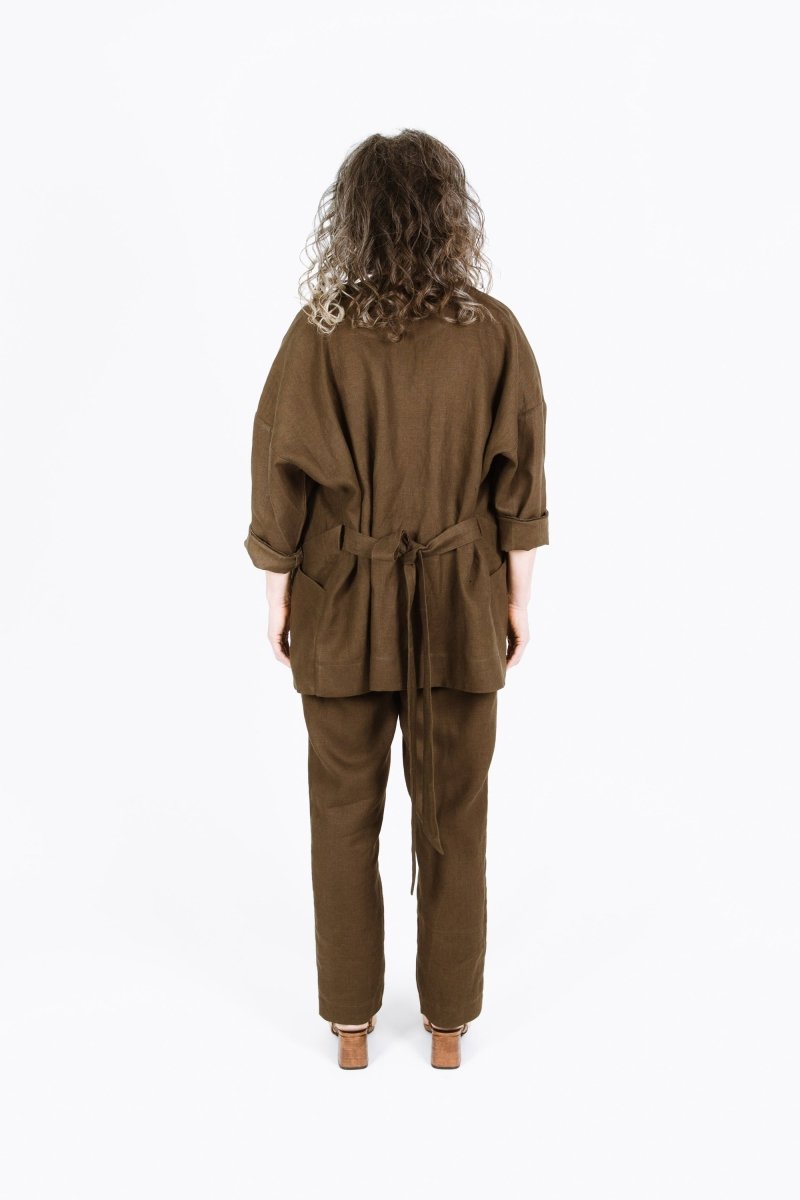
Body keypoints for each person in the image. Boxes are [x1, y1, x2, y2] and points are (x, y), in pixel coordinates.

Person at [244, 129, 549, 1070]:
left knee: (341, 816)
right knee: (456, 814)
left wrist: (277, 596)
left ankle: (350, 1026)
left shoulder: (318, 331)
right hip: (460, 602)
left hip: (339, 600)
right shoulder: (493, 332)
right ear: (449, 216)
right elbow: (521, 484)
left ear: (354, 220)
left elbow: (277, 469)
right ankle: (449, 1026)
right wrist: (516, 601)